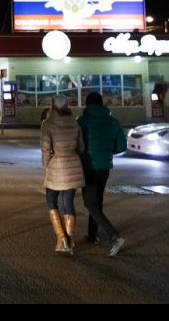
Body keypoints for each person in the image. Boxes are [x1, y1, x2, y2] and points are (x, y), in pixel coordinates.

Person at [77, 91, 127, 256]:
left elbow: (77, 145)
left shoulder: (82, 121)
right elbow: (121, 147)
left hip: (88, 166)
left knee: (90, 204)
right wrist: (108, 150)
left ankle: (114, 236)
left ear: (87, 104)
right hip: (105, 166)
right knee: (97, 201)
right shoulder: (113, 122)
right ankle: (92, 235)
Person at [40, 95, 85, 255]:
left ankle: (61, 238)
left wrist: (46, 163)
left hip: (56, 166)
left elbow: (45, 148)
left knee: (51, 201)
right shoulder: (75, 122)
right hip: (73, 166)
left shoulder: (48, 123)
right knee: (69, 203)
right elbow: (81, 148)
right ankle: (70, 241)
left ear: (52, 106)